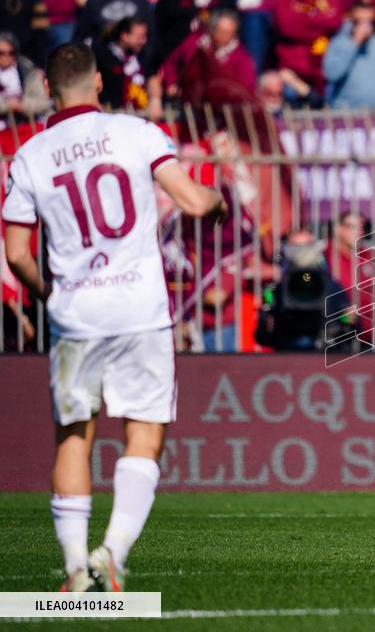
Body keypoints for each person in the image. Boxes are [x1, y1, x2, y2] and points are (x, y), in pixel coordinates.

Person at [1, 42, 227, 592]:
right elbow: (194, 203)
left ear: (48, 89)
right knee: (143, 436)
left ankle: (76, 568)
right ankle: (114, 553)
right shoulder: (137, 133)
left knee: (73, 438)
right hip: (140, 310)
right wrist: (217, 201)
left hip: (77, 314)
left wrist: (49, 293)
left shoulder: (30, 155)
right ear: (99, 82)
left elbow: (17, 253)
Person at [322, 1, 375, 111]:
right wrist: (354, 43)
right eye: (359, 22)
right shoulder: (338, 42)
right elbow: (331, 74)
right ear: (349, 20)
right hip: (345, 112)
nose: (366, 27)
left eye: (370, 22)